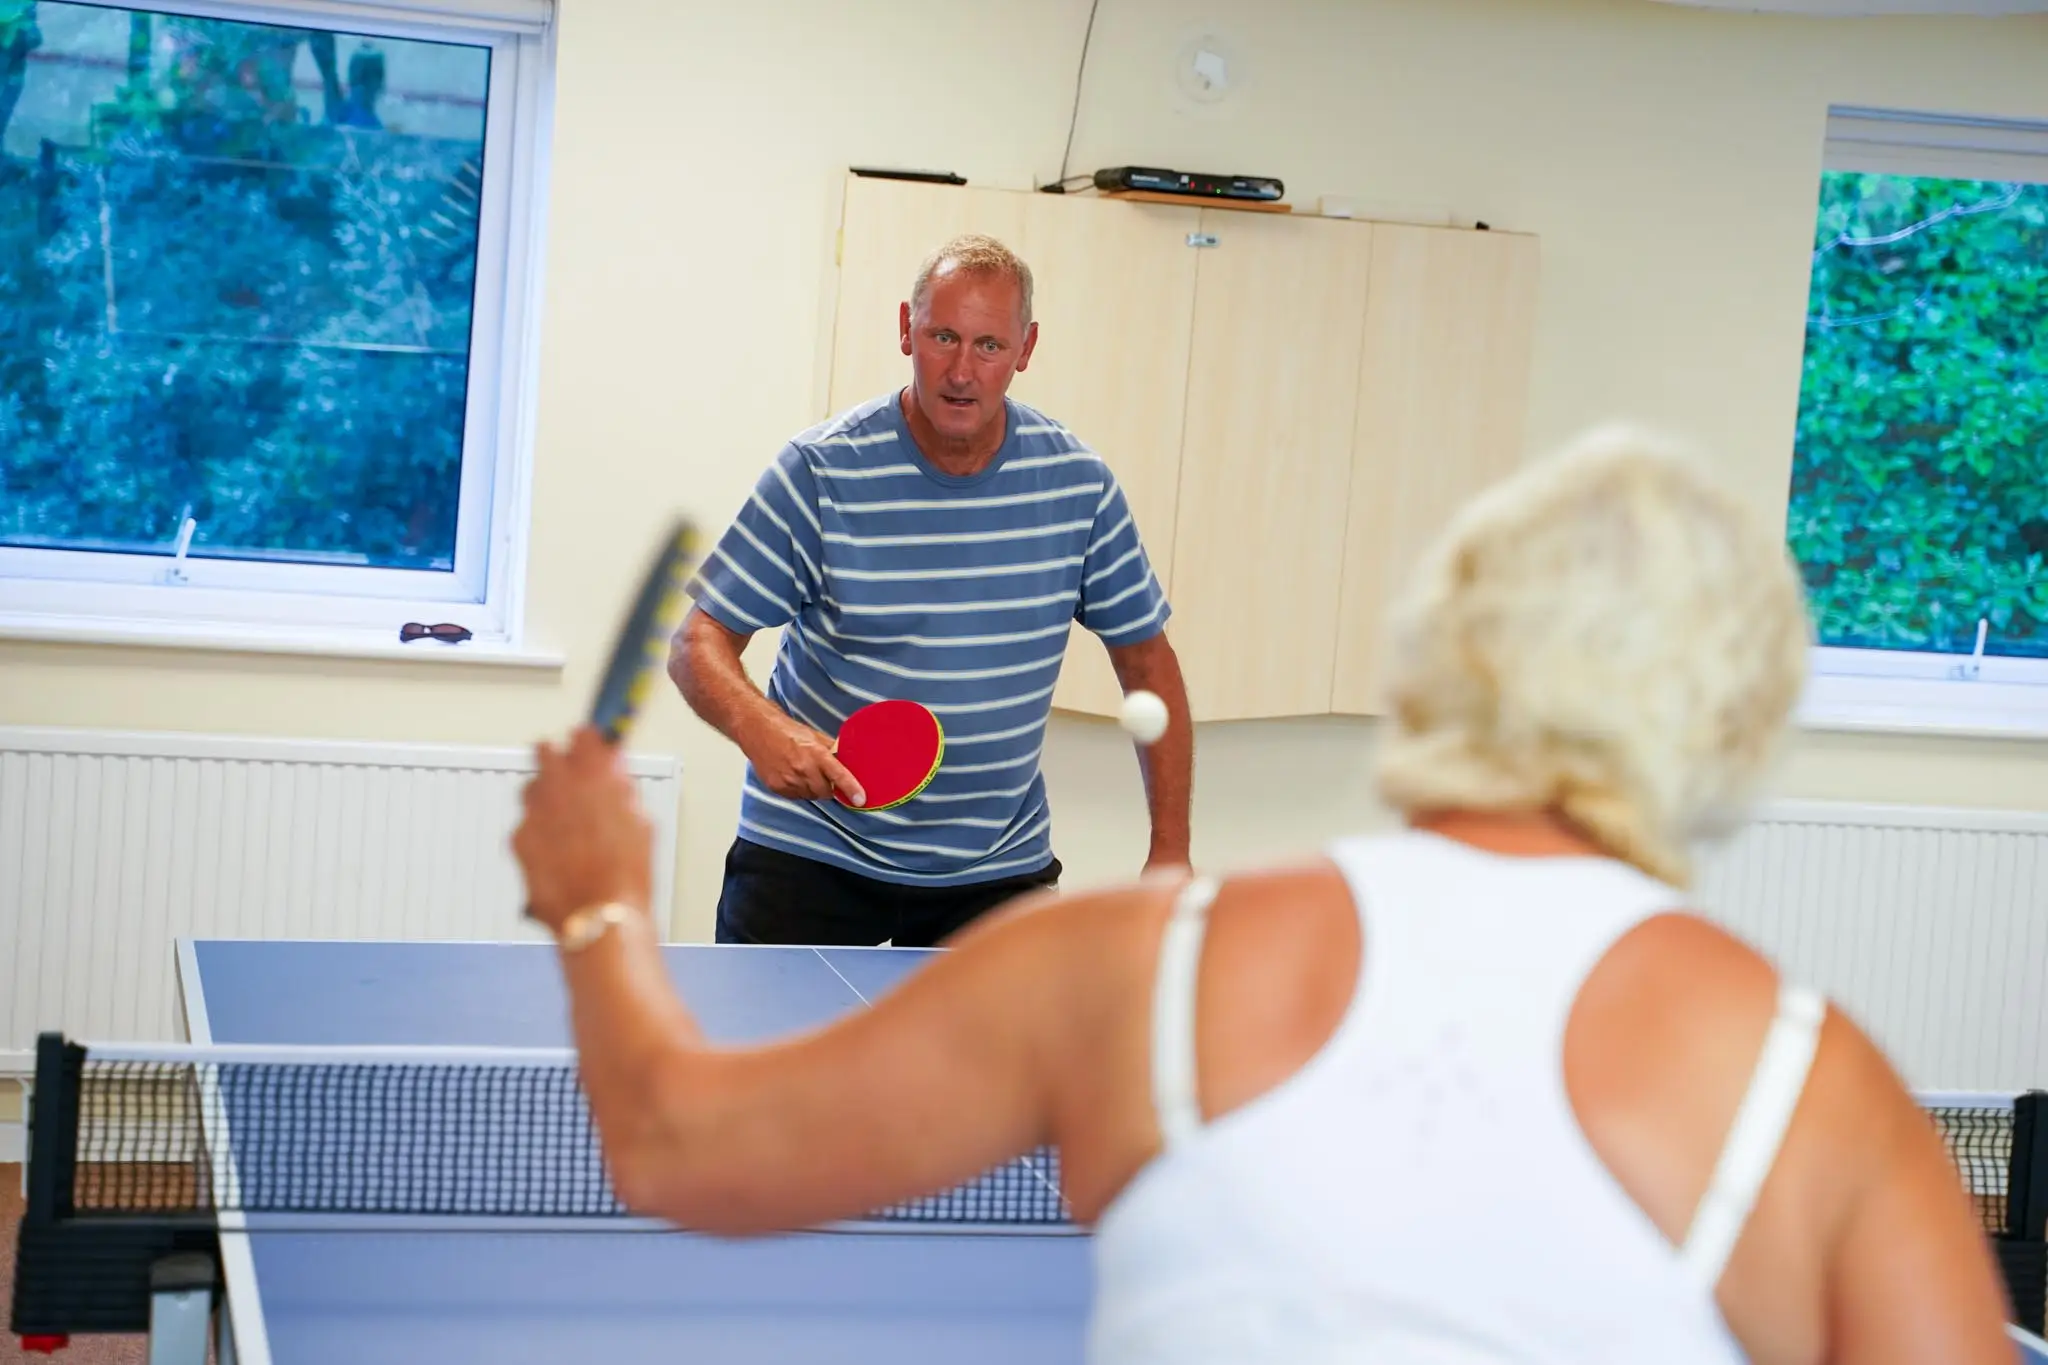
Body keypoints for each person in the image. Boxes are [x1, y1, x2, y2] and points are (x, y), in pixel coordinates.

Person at [517, 425, 2013, 1363]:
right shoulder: (1817, 1090)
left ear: (1441, 646)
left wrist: (598, 905)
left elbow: (675, 1145)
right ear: (1740, 720)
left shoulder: (1137, 966)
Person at [669, 232, 1193, 948]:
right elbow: (696, 641)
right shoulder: (820, 471)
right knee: (777, 1061)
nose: (961, 369)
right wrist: (761, 726)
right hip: (811, 854)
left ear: (1026, 348)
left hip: (994, 869)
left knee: (1003, 1064)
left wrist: (1170, 849)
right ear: (905, 331)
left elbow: (1148, 666)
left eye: (988, 345)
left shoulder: (1079, 484)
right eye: (943, 335)